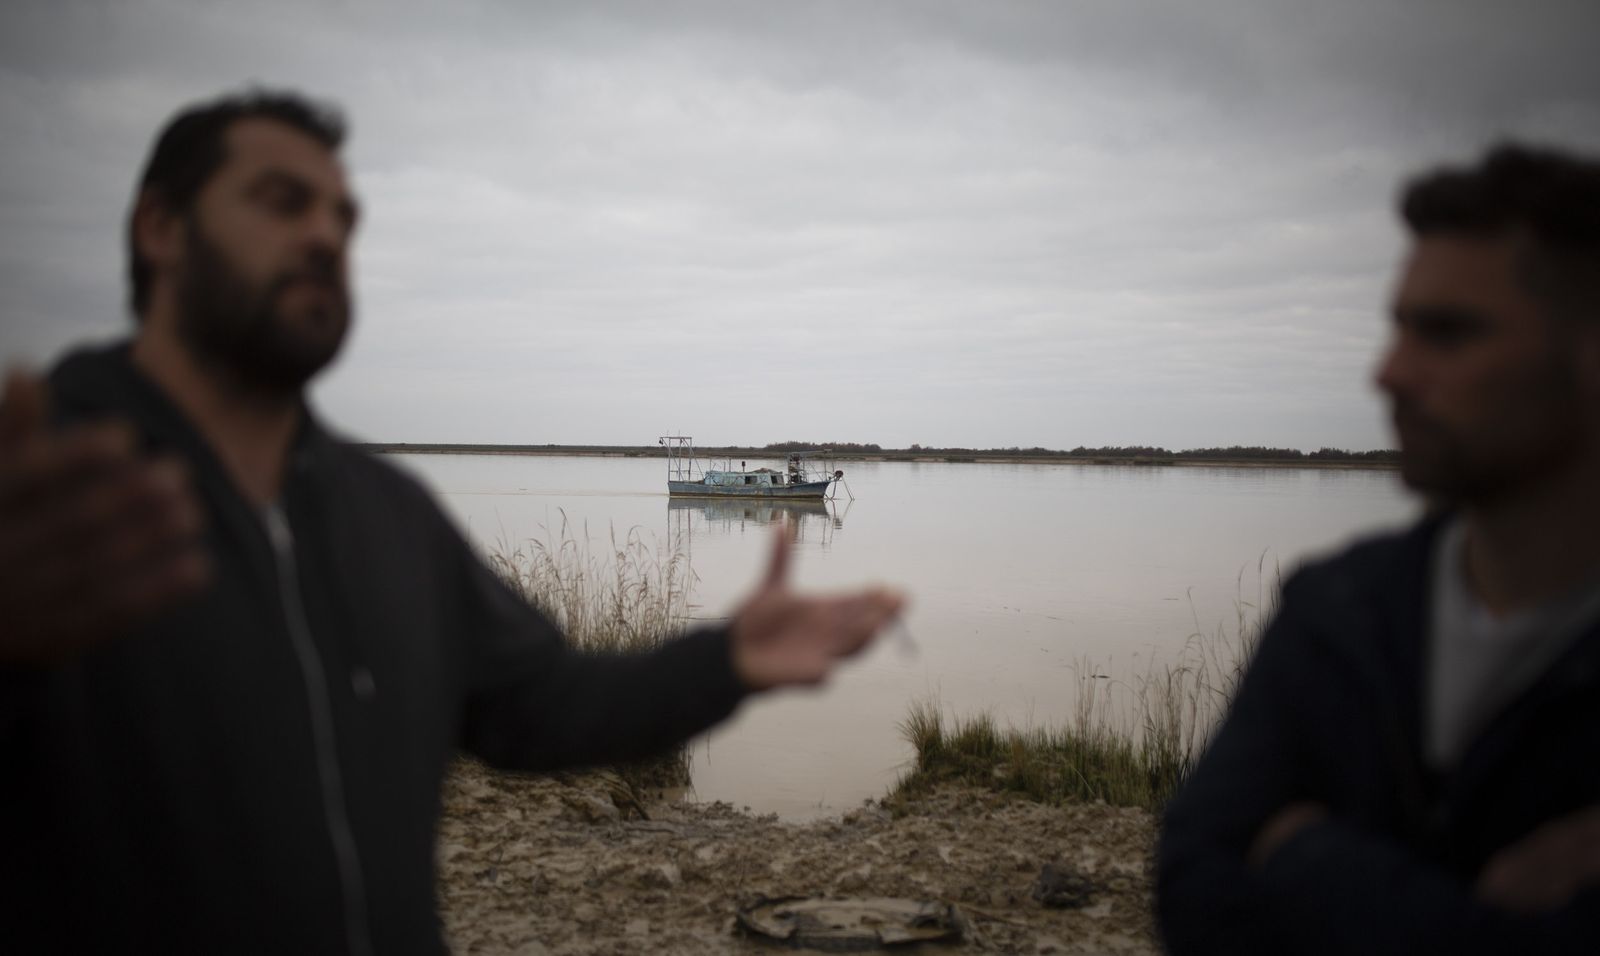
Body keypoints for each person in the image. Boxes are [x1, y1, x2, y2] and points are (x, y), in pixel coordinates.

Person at [0, 90, 903, 954]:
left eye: (343, 218)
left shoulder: (387, 511)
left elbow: (540, 706)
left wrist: (723, 662)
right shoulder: (43, 491)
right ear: (160, 227)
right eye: (282, 202)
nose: (323, 235)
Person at [1157, 143, 1600, 953]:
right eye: (1397, 328)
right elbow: (1191, 889)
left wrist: (1298, 853)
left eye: (1447, 333)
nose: (1388, 375)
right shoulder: (1341, 605)